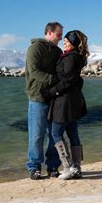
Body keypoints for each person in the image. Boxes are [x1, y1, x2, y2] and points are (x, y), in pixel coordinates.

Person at [44, 30, 89, 180]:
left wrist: (52, 92)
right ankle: (77, 168)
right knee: (72, 134)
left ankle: (68, 167)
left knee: (56, 133)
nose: (64, 44)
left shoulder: (70, 58)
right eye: (63, 41)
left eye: (67, 42)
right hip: (73, 101)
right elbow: (74, 79)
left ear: (74, 43)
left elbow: (68, 80)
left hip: (65, 102)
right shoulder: (76, 57)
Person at [25, 22, 64, 180]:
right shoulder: (35, 48)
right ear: (49, 33)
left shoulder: (58, 51)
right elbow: (33, 71)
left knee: (55, 134)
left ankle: (53, 166)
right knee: (37, 135)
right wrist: (53, 79)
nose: (60, 38)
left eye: (61, 35)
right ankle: (34, 168)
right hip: (38, 97)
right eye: (58, 35)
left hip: (54, 96)